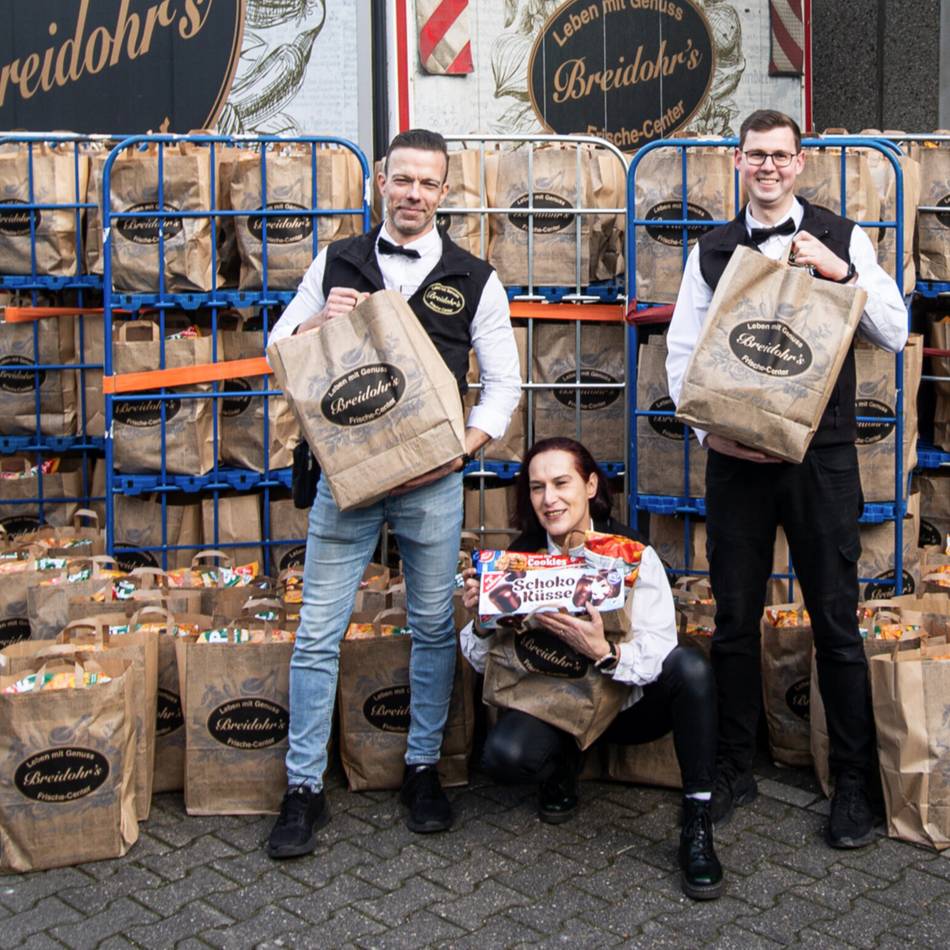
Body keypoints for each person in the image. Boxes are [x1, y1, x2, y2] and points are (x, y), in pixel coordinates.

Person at [265, 129, 521, 857]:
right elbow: (278, 351)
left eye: (427, 183)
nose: (413, 194)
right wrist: (318, 323)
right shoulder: (336, 260)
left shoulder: (476, 277)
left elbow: (503, 385)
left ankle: (422, 770)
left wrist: (455, 453)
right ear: (381, 180)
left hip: (433, 485)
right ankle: (304, 787)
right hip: (345, 483)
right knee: (319, 632)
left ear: (445, 192)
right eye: (401, 179)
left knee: (435, 629)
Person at [666, 110, 908, 847]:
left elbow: (895, 330)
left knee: (836, 624)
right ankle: (736, 766)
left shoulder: (843, 238)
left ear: (800, 163)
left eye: (779, 156)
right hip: (736, 466)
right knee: (735, 623)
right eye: (754, 156)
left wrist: (842, 275)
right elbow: (682, 354)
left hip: (823, 461)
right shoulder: (710, 248)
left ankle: (855, 786)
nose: (767, 167)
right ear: (737, 163)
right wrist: (716, 434)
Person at [460, 438, 724, 901]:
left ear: (590, 484)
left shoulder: (631, 552)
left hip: (627, 707)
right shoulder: (517, 559)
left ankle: (697, 819)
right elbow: (481, 662)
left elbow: (661, 643)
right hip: (557, 704)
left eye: (562, 483)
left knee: (692, 668)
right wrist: (483, 621)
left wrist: (605, 651)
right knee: (504, 757)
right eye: (537, 487)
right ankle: (561, 764)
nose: (549, 499)